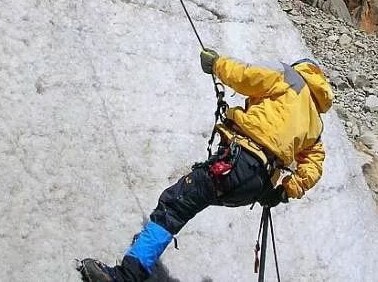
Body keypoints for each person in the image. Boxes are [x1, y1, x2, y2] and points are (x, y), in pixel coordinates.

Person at [78, 48, 333, 282]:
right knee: (188, 200)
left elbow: (247, 77)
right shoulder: (316, 124)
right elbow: (313, 167)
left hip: (236, 161)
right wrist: (284, 191)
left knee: (175, 205)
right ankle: (147, 246)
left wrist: (216, 64)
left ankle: (126, 274)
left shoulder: (288, 77)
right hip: (255, 185)